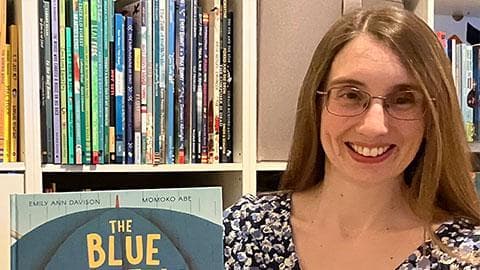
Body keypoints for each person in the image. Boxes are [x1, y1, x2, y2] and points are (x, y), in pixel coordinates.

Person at [223, 6, 480, 270]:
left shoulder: (466, 256)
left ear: (433, 117)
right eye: (351, 95)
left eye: (403, 100)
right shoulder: (241, 231)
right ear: (317, 103)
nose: (374, 126)